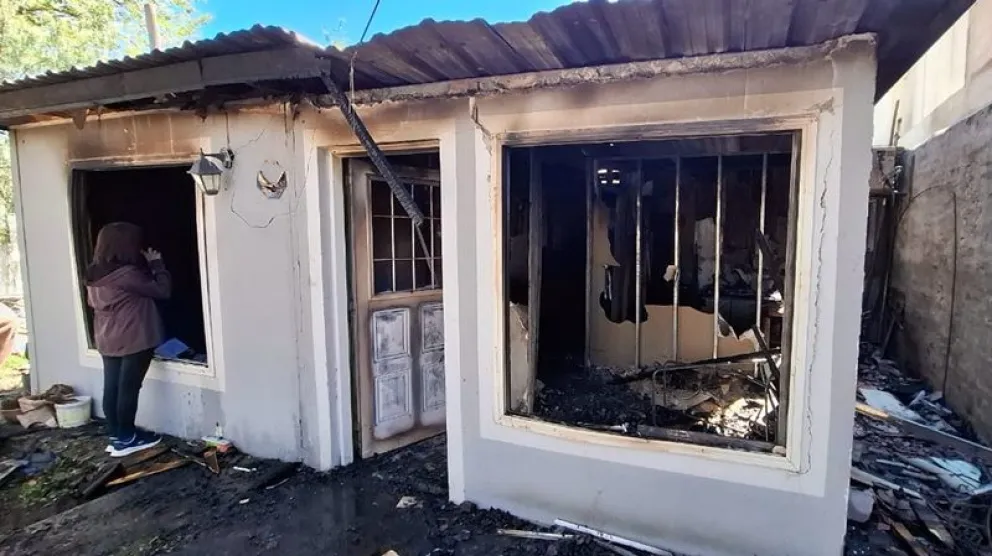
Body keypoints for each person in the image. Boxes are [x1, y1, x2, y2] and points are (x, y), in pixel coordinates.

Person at [86, 222, 170, 457]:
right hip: (134, 337)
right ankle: (127, 438)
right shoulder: (127, 275)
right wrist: (156, 264)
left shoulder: (93, 272)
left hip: (106, 337)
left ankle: (116, 435)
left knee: (112, 386)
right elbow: (163, 290)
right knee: (129, 388)